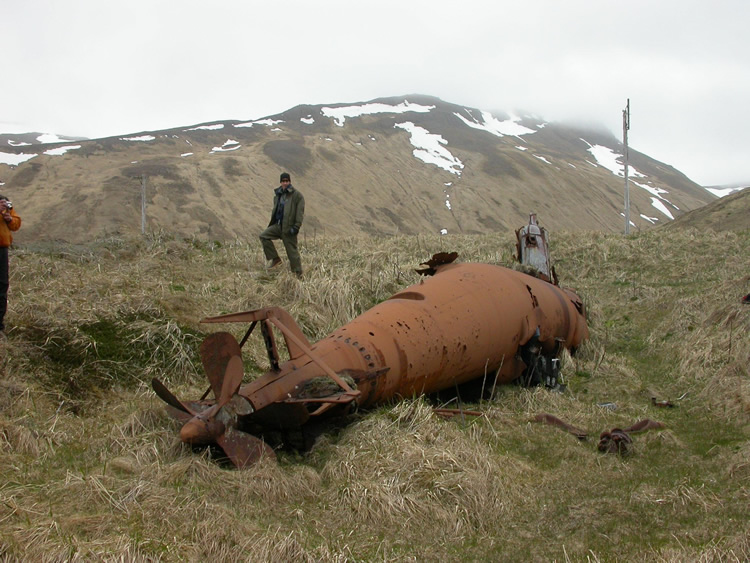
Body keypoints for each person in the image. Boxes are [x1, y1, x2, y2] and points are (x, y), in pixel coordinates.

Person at [259, 172, 305, 276]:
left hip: (289, 228)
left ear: (290, 182)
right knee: (264, 236)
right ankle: (275, 259)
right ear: (280, 182)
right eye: (283, 181)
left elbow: (300, 213)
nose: (285, 183)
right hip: (278, 226)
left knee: (292, 251)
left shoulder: (297, 196)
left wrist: (296, 226)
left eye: (287, 181)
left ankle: (298, 274)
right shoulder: (278, 195)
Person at [0, 195, 22, 333]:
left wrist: (9, 219)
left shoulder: (4, 201)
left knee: (2, 285)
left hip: (2, 249)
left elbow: (16, 224)